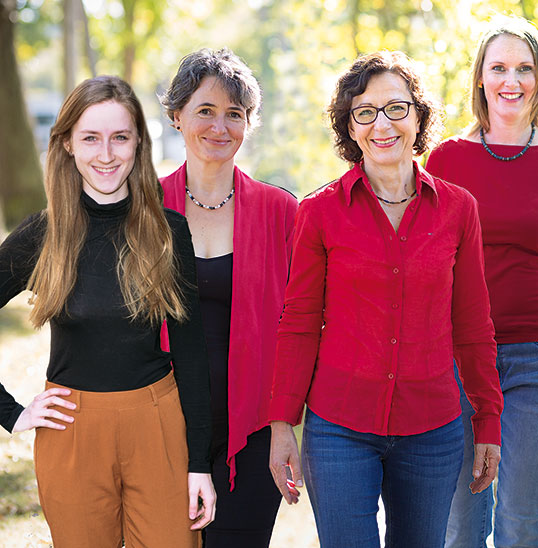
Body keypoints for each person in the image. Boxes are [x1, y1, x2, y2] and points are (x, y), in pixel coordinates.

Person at [267, 50, 503, 548]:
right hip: (340, 427)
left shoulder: (459, 210)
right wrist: (282, 423)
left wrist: (488, 420)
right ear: (350, 128)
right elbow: (300, 322)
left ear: (419, 118)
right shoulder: (320, 212)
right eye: (365, 112)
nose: (382, 124)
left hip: (432, 428)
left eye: (397, 108)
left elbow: (474, 324)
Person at [0, 76, 215, 547]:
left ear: (138, 143)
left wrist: (199, 462)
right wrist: (10, 412)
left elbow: (192, 353)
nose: (106, 154)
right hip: (71, 429)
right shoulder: (43, 235)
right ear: (67, 146)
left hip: (157, 425)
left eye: (120, 137)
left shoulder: (168, 232)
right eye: (90, 138)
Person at [426, 16, 538, 548]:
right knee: (460, 525)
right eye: (498, 68)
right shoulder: (446, 159)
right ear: (480, 78)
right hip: (458, 356)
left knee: (523, 524)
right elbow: (430, 262)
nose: (510, 80)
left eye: (523, 68)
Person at [159, 48, 298, 547]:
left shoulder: (281, 211)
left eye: (234, 114)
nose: (220, 127)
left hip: (254, 433)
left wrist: (286, 425)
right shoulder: (144, 211)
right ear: (177, 116)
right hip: (160, 428)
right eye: (205, 111)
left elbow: (300, 326)